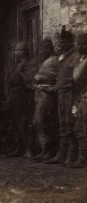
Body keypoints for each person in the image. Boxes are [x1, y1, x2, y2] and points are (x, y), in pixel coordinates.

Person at [45, 27, 81, 165]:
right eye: (60, 42)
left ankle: (71, 156)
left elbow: (76, 77)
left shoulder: (76, 57)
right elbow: (61, 77)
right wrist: (55, 87)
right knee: (62, 124)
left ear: (71, 43)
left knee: (70, 123)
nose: (61, 45)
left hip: (71, 93)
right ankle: (61, 154)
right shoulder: (62, 57)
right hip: (61, 93)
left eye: (65, 42)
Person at [5, 42, 37, 158]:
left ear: (25, 52)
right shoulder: (15, 65)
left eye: (19, 50)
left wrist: (21, 72)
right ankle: (19, 147)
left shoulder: (30, 65)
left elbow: (30, 81)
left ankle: (29, 148)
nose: (16, 53)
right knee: (14, 122)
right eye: (16, 50)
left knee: (24, 122)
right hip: (14, 95)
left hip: (24, 96)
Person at [31, 37, 59, 162]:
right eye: (40, 49)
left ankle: (49, 150)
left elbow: (46, 76)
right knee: (39, 121)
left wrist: (38, 77)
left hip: (48, 94)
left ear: (49, 48)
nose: (40, 51)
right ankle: (44, 149)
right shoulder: (45, 61)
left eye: (42, 48)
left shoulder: (53, 60)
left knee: (44, 121)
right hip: (41, 94)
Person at [67, 32, 87, 169]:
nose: (80, 47)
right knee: (80, 129)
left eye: (83, 44)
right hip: (83, 96)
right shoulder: (82, 58)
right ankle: (82, 159)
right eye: (78, 44)